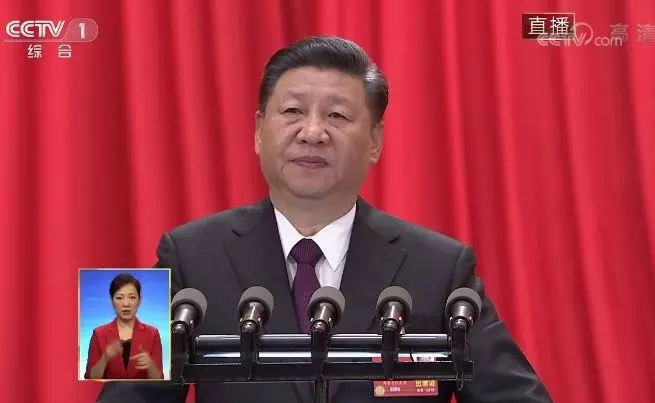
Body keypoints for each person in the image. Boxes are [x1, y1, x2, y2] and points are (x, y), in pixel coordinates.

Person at [96, 36, 552, 402]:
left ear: (375, 141)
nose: (312, 133)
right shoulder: (183, 254)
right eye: (293, 112)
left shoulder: (441, 267)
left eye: (337, 115)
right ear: (258, 131)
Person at [85, 273, 164, 380]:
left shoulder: (153, 333)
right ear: (112, 301)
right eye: (119, 298)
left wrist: (150, 365)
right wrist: (105, 358)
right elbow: (90, 378)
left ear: (140, 300)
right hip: (110, 390)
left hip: (142, 391)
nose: (126, 304)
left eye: (132, 297)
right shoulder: (99, 334)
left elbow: (159, 380)